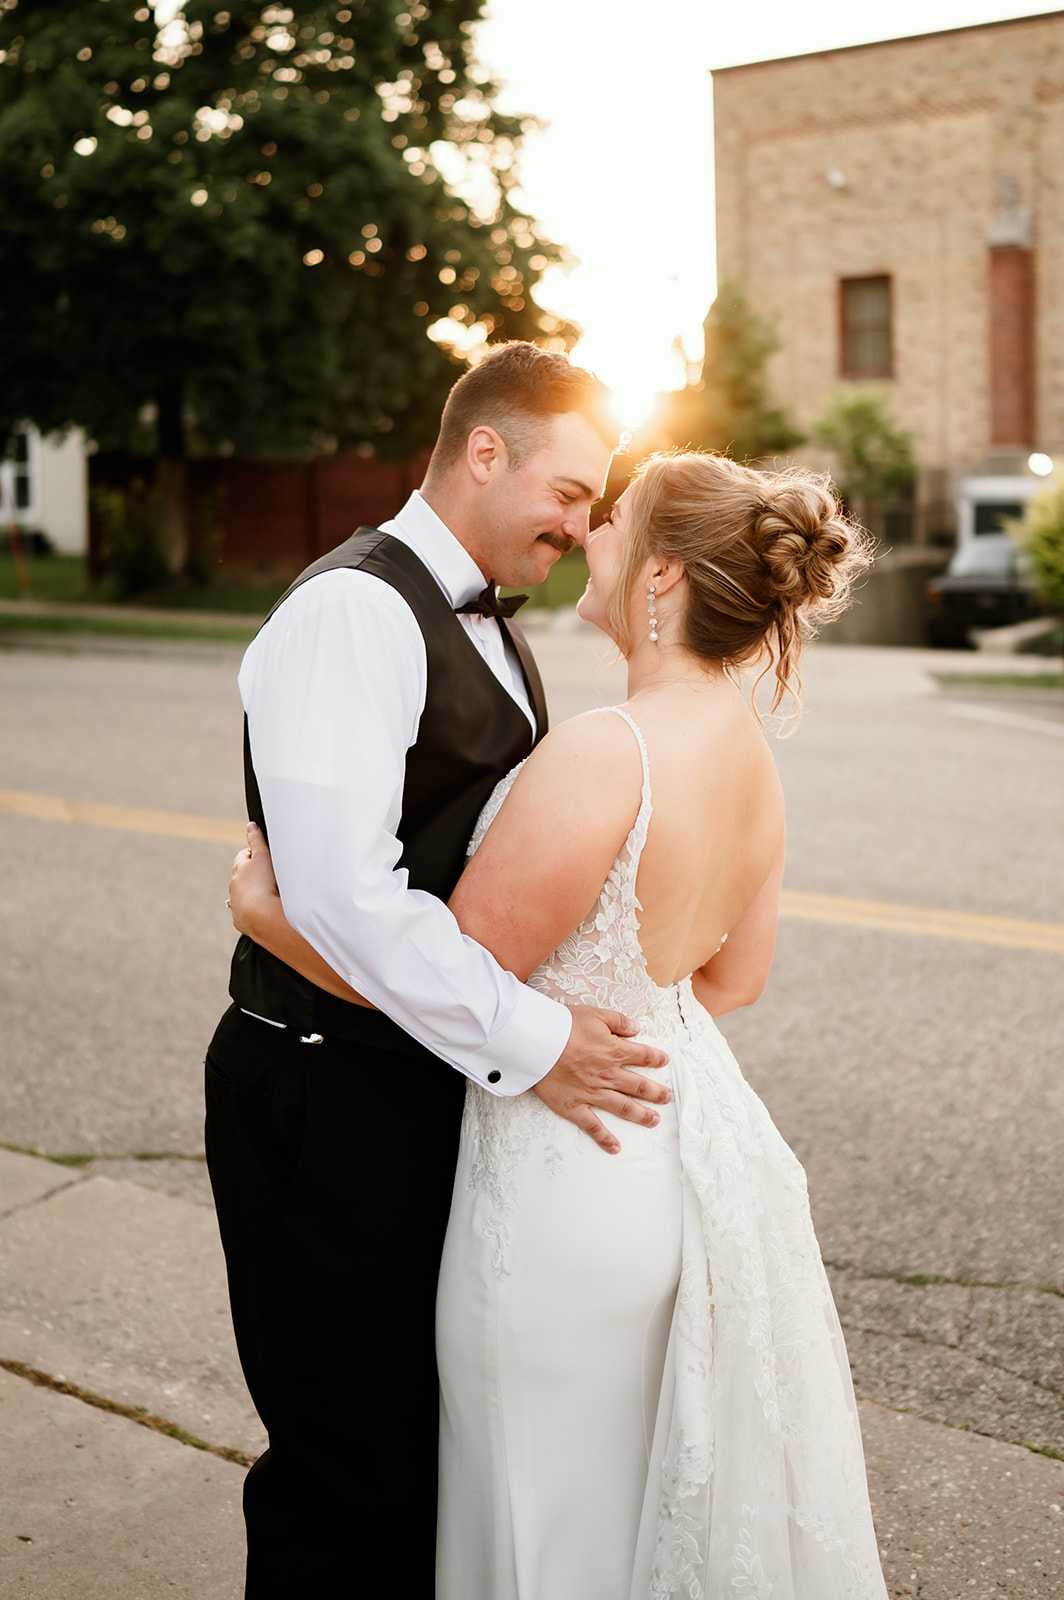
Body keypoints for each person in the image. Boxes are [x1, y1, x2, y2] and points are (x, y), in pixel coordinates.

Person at [229, 448, 888, 1599]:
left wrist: (276, 921)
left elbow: (457, 977)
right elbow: (729, 983)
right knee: (632, 1498)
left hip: (561, 1181)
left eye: (614, 519)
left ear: (659, 577)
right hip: (677, 1151)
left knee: (540, 1517)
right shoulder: (745, 754)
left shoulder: (603, 748)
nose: (589, 532)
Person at [204, 343, 676, 1598]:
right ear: (484, 451)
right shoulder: (355, 610)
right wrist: (538, 1038)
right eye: (569, 492)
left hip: (412, 1084)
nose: (580, 527)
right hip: (321, 1092)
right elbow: (348, 899)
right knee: (341, 1468)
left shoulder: (477, 618)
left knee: (415, 1458)